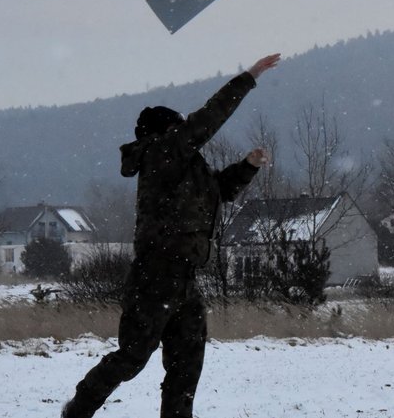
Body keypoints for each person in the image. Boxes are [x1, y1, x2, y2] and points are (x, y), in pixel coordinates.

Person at [61, 53, 281, 418]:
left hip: (183, 279)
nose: (187, 134)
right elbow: (209, 118)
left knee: (187, 362)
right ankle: (79, 409)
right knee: (133, 357)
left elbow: (217, 192)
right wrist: (250, 76)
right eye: (179, 127)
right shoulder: (162, 152)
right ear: (166, 131)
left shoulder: (184, 167)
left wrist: (247, 168)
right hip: (156, 276)